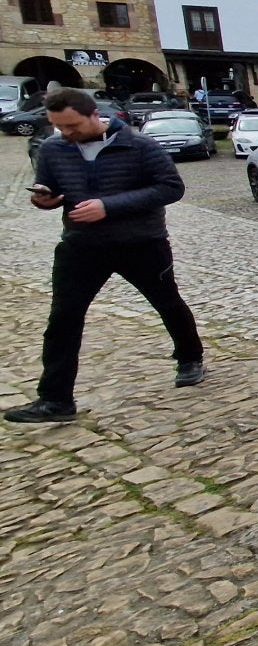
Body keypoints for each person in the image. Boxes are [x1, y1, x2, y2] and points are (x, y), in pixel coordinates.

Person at [6, 88, 205, 423]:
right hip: (80, 246)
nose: (66, 134)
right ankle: (55, 400)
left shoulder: (140, 146)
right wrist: (45, 199)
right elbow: (49, 186)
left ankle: (190, 356)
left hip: (141, 243)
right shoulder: (54, 149)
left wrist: (108, 206)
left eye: (72, 126)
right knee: (63, 319)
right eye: (59, 127)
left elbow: (171, 187)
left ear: (93, 115)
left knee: (167, 302)